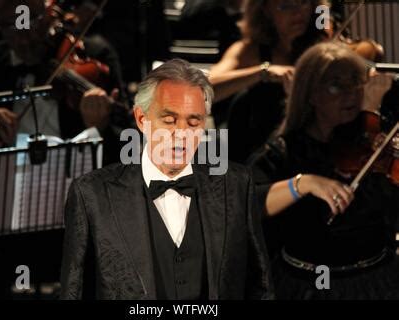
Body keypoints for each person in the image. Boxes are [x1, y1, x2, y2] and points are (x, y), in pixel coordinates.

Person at [60, 58, 357, 300]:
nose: (182, 133)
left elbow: (257, 284)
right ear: (141, 120)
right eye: (168, 119)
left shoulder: (236, 186)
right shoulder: (91, 193)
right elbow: (75, 289)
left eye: (194, 120)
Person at [249, 42, 399, 299]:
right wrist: (302, 184)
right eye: (335, 85)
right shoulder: (286, 150)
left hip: (378, 280)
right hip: (306, 286)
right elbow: (248, 203)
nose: (350, 93)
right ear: (310, 94)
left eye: (355, 82)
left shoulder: (376, 143)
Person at [0, 0, 129, 164]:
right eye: (10, 25)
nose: (24, 38)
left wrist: (99, 128)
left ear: (49, 13)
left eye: (33, 21)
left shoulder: (94, 53)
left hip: (77, 179)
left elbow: (128, 140)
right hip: (4, 181)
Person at [209, 0, 329, 162]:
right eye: (286, 6)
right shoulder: (249, 51)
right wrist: (263, 71)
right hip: (259, 154)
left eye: (304, 3)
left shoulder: (323, 47)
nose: (298, 12)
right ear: (265, 10)